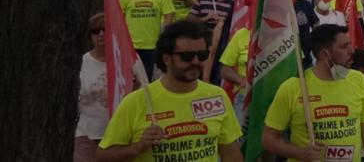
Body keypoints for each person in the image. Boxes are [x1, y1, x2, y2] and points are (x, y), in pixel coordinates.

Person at [98, 21, 243, 162]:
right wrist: (138, 147)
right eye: (186, 56)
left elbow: (231, 154)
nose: (195, 62)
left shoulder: (216, 96)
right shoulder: (136, 102)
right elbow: (103, 156)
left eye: (202, 55)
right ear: (166, 58)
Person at [263, 24, 364, 162]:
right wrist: (299, 153)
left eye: (350, 45)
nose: (352, 51)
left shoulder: (359, 80)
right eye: (344, 47)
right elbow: (269, 138)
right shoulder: (293, 87)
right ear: (325, 54)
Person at [120, 0, 175, 77]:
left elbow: (169, 16)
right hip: (130, 45)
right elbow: (120, 16)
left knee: (146, 77)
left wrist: (164, 39)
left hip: (151, 46)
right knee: (129, 76)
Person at [75, 14, 109, 162]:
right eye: (96, 31)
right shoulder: (81, 62)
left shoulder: (129, 60)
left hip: (120, 138)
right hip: (87, 135)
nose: (101, 34)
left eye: (105, 29)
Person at [191, 0, 234, 84]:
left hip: (225, 39)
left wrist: (223, 22)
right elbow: (190, 20)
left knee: (219, 68)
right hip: (202, 37)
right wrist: (206, 18)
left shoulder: (234, 2)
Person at [218, 27, 250, 123]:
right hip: (244, 98)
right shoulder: (242, 34)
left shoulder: (285, 35)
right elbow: (224, 70)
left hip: (273, 98)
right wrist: (241, 80)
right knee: (240, 137)